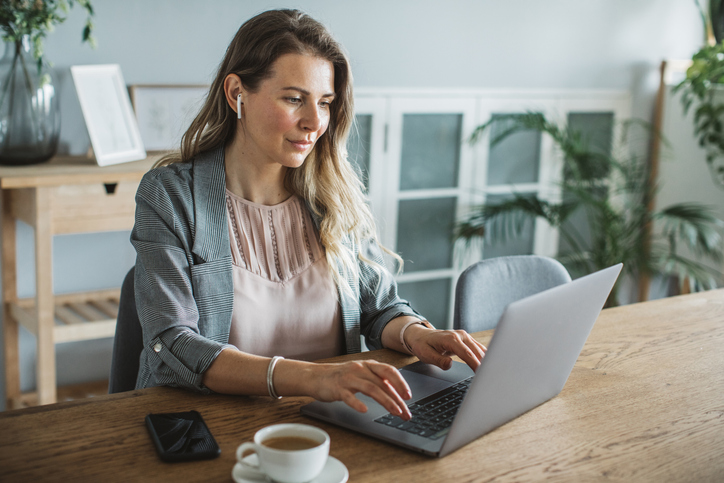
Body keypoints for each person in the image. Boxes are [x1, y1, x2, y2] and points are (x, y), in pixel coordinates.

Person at [131, 8, 486, 421]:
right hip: (214, 425)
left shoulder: (330, 194)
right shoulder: (171, 196)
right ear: (236, 93)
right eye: (294, 99)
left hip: (338, 422)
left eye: (325, 102)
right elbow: (172, 342)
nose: (314, 123)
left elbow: (378, 307)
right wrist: (313, 379)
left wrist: (417, 334)